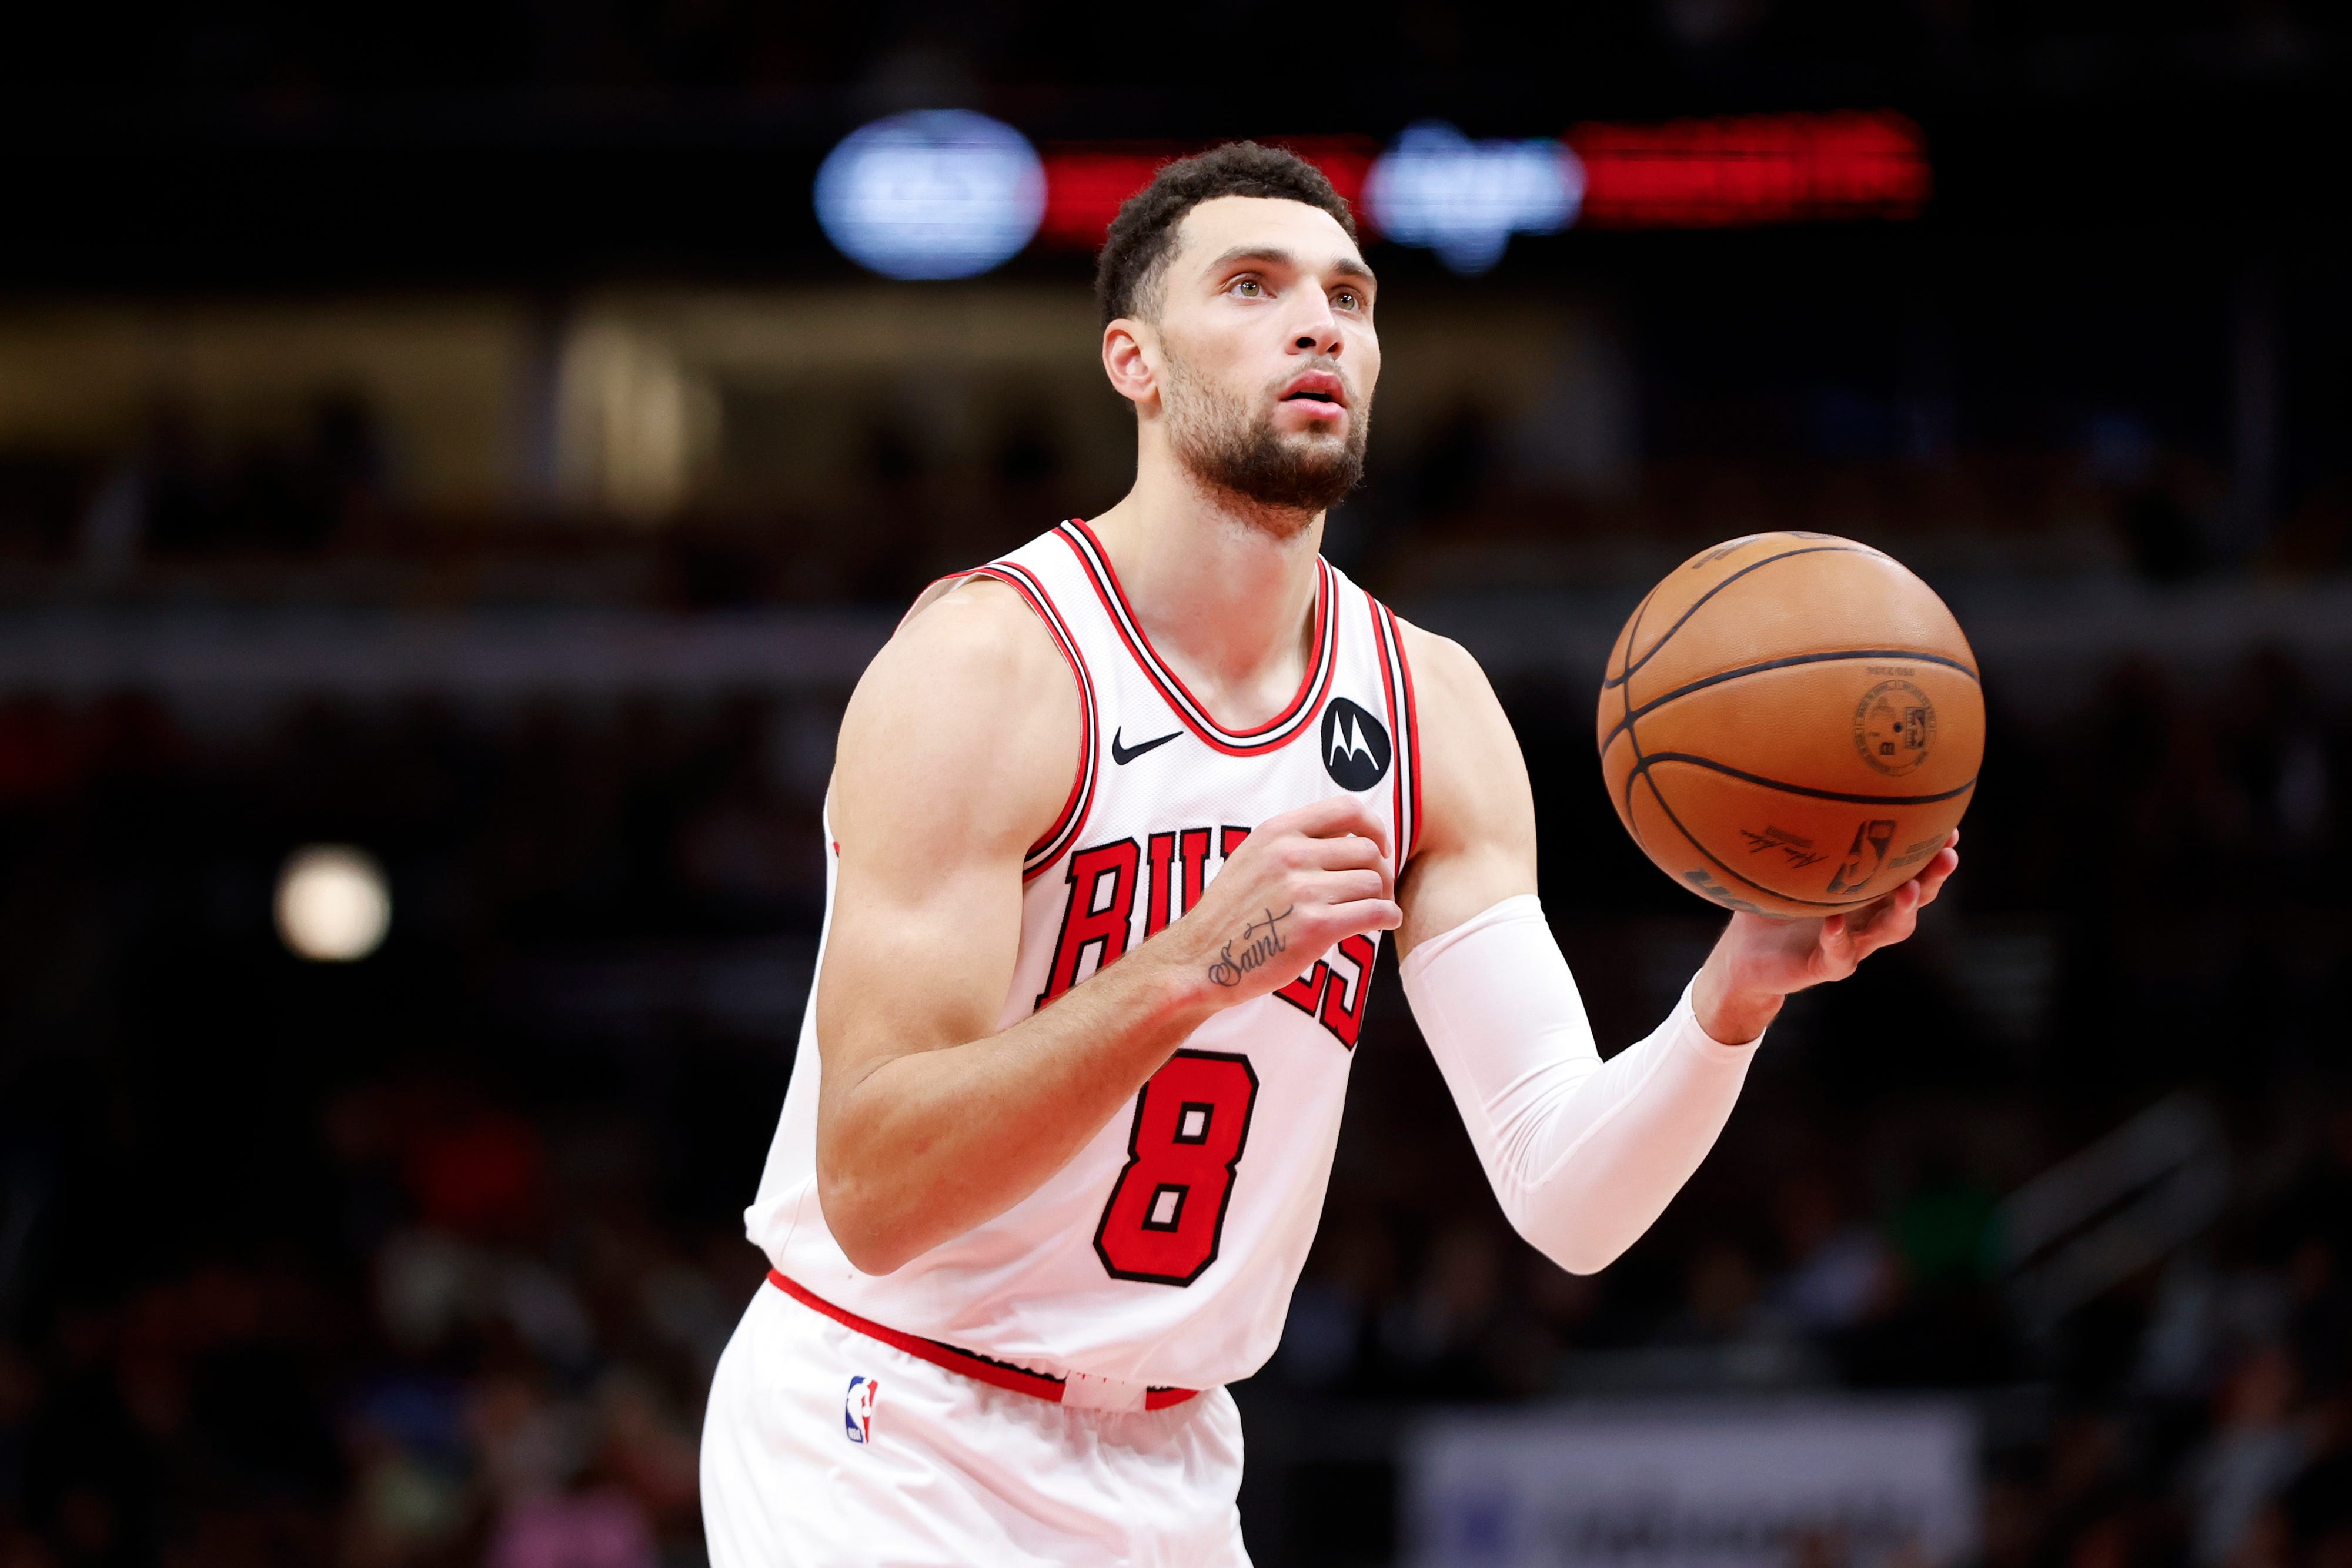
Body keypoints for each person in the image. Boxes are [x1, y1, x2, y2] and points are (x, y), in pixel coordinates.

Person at [700, 143, 1959, 1566]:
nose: (1320, 325)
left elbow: (1568, 1198)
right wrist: (1183, 970)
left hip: (1173, 1458)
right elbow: (872, 1187)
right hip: (887, 1422)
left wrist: (1732, 998)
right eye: (1251, 286)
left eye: (1349, 298)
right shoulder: (990, 665)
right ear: (1135, 359)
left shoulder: (1432, 707)